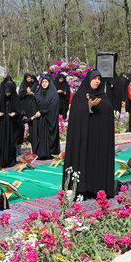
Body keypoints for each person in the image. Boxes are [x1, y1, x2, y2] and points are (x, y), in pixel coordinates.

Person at [63, 70, 115, 198]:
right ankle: (81, 188)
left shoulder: (103, 96)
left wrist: (97, 106)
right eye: (94, 78)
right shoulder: (80, 96)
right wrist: (89, 107)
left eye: (99, 79)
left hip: (98, 140)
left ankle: (97, 186)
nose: (97, 81)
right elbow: (76, 116)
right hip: (84, 139)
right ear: (88, 80)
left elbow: (108, 112)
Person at [0, 78, 23, 168]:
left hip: (11, 126)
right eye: (6, 93)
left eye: (9, 93)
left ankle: (10, 161)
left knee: (11, 143)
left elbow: (19, 112)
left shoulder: (15, 99)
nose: (7, 95)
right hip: (1, 126)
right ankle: (0, 161)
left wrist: (15, 114)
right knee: (1, 143)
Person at [30, 75, 61, 160]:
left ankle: (50, 153)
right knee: (40, 135)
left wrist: (42, 112)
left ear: (49, 83)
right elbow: (34, 103)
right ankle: (40, 153)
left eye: (46, 82)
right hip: (39, 119)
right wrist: (35, 113)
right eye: (42, 82)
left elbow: (53, 106)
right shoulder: (38, 92)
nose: (44, 84)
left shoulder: (53, 94)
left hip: (49, 119)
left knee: (48, 136)